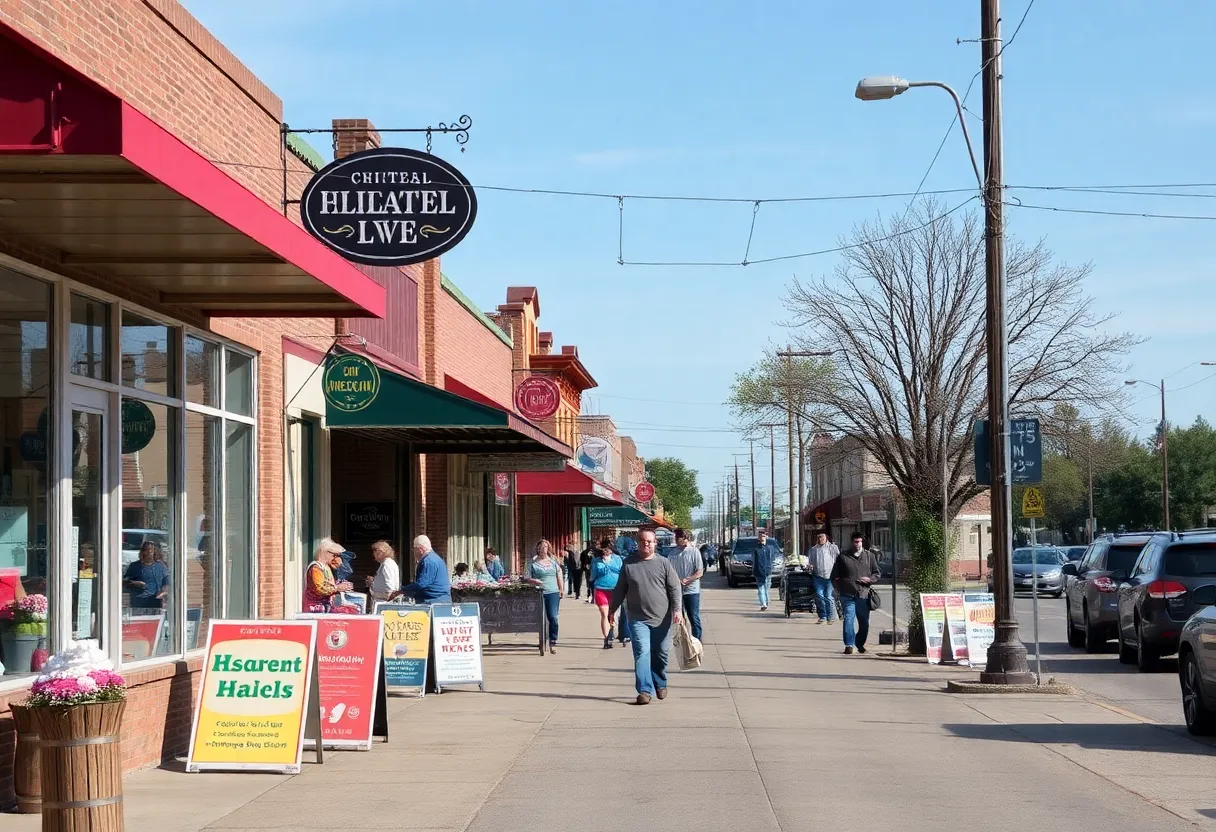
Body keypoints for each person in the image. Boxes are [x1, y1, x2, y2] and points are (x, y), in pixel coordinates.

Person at [608, 529, 683, 705]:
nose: (646, 544)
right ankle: (644, 690)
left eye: (649, 541)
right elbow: (620, 589)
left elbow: (674, 588)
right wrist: (612, 609)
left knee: (661, 654)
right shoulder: (628, 564)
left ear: (655, 543)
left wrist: (677, 610)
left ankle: (660, 683)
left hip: (662, 618)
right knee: (642, 652)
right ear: (638, 543)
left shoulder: (664, 563)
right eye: (642, 541)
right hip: (637, 618)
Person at [830, 532, 882, 654]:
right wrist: (838, 589)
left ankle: (859, 643)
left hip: (863, 595)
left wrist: (870, 579)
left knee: (864, 623)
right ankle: (849, 644)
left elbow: (877, 573)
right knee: (849, 619)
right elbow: (834, 575)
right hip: (847, 594)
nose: (858, 544)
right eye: (855, 542)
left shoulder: (870, 556)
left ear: (862, 542)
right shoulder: (843, 556)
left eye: (860, 542)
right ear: (852, 542)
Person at [525, 540, 563, 654]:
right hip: (539, 592)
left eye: (545, 547)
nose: (543, 549)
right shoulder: (532, 563)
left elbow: (559, 574)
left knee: (553, 617)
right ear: (537, 549)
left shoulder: (553, 561)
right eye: (541, 547)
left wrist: (561, 589)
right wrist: (533, 580)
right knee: (541, 618)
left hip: (552, 592)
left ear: (549, 548)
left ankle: (553, 641)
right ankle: (542, 641)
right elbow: (526, 577)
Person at [668, 528, 704, 640]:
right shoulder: (672, 554)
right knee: (679, 618)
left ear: (685, 538)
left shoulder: (694, 551)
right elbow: (669, 572)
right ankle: (683, 641)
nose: (677, 540)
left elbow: (699, 571)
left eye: (679, 538)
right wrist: (676, 581)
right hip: (677, 591)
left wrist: (688, 579)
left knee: (693, 617)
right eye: (676, 538)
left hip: (692, 590)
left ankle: (696, 641)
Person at [395, 535, 452, 605]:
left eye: (414, 549)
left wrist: (402, 590)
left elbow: (422, 584)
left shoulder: (428, 561)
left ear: (420, 549)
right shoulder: (433, 558)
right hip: (439, 600)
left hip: (433, 601)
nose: (413, 552)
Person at [590, 538, 624, 648]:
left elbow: (622, 572)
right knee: (604, 614)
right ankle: (607, 639)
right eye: (604, 549)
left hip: (615, 590)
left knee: (613, 615)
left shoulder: (618, 559)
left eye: (608, 549)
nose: (606, 551)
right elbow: (592, 576)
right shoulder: (596, 561)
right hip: (601, 589)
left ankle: (612, 631)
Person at [303, 538, 353, 612]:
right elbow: (321, 589)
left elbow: (329, 583)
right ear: (325, 553)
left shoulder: (326, 566)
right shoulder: (316, 568)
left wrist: (342, 585)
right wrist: (338, 588)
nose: (335, 558)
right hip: (315, 607)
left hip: (325, 606)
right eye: (334, 555)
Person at [124, 542, 171, 610]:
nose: (149, 552)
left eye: (151, 550)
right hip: (138, 601)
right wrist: (135, 583)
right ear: (143, 552)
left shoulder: (160, 566)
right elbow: (125, 582)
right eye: (147, 550)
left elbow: (166, 582)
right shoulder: (135, 566)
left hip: (155, 601)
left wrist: (164, 592)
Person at [807, 532, 840, 625]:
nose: (821, 539)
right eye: (819, 538)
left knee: (828, 596)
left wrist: (838, 573)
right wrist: (809, 566)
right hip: (818, 576)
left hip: (830, 577)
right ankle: (823, 616)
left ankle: (831, 617)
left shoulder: (833, 548)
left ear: (826, 538)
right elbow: (810, 562)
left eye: (822, 538)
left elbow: (838, 560)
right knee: (820, 596)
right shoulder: (813, 549)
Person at [753, 529, 780, 611]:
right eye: (760, 536)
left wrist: (771, 567)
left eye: (764, 536)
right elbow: (754, 561)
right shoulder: (756, 549)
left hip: (768, 571)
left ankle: (766, 601)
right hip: (759, 571)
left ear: (766, 537)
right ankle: (763, 604)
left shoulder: (770, 548)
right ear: (758, 538)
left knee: (767, 588)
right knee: (761, 588)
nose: (762, 538)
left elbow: (773, 559)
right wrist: (755, 571)